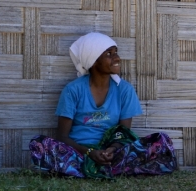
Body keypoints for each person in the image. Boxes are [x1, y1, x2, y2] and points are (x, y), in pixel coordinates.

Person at [29, 32, 177, 178]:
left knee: (161, 141)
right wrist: (89, 152)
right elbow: (62, 136)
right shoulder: (73, 90)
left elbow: (123, 134)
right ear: (93, 61)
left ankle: (84, 171)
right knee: (38, 144)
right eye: (109, 54)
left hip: (113, 155)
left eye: (116, 52)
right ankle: (106, 170)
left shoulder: (124, 90)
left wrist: (112, 149)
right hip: (79, 153)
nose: (116, 58)